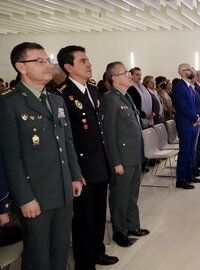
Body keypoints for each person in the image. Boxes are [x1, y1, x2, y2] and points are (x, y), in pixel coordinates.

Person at [0, 42, 83, 270]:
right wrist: (25, 198)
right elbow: (10, 158)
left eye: (48, 60)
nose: (48, 65)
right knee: (38, 256)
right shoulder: (9, 103)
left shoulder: (56, 100)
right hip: (35, 195)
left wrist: (75, 176)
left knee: (60, 250)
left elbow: (67, 142)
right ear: (21, 67)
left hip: (63, 189)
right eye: (40, 61)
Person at [56, 45, 118, 269]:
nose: (90, 64)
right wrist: (75, 171)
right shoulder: (62, 95)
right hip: (82, 167)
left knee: (100, 213)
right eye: (83, 61)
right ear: (69, 66)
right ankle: (84, 262)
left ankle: (98, 251)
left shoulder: (92, 90)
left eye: (88, 60)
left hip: (99, 163)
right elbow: (65, 138)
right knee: (83, 218)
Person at [100, 61, 149, 248]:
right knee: (120, 196)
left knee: (132, 194)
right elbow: (109, 134)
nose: (130, 74)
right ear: (115, 78)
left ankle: (132, 225)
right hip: (122, 159)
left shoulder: (125, 97)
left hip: (134, 155)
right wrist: (116, 162)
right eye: (125, 72)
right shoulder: (110, 99)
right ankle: (120, 232)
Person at [172, 63, 200, 190]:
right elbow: (183, 107)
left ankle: (189, 175)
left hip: (193, 123)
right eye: (189, 69)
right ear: (182, 72)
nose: (192, 71)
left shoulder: (189, 87)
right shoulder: (180, 87)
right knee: (185, 152)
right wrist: (195, 118)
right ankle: (181, 179)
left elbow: (196, 105)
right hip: (186, 124)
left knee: (191, 151)